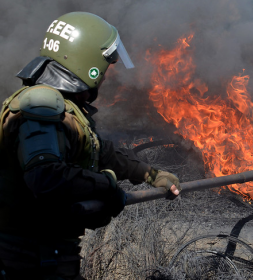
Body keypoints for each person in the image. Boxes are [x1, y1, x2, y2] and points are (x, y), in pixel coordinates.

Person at [0, 12, 181, 280]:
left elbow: (99, 151)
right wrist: (105, 184)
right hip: (27, 260)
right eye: (105, 68)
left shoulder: (63, 108)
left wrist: (150, 174)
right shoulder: (40, 106)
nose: (105, 77)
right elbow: (46, 177)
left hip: (49, 255)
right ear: (87, 63)